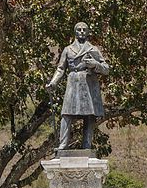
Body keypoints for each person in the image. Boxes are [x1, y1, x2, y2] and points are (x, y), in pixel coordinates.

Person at [46, 22, 110, 150]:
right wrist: (53, 82)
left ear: (88, 32)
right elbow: (60, 69)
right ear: (75, 32)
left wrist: (94, 64)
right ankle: (63, 144)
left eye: (84, 29)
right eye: (79, 29)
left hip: (88, 84)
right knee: (66, 114)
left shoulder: (93, 49)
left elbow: (106, 69)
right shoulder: (68, 49)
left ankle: (87, 145)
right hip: (73, 83)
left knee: (89, 116)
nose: (81, 31)